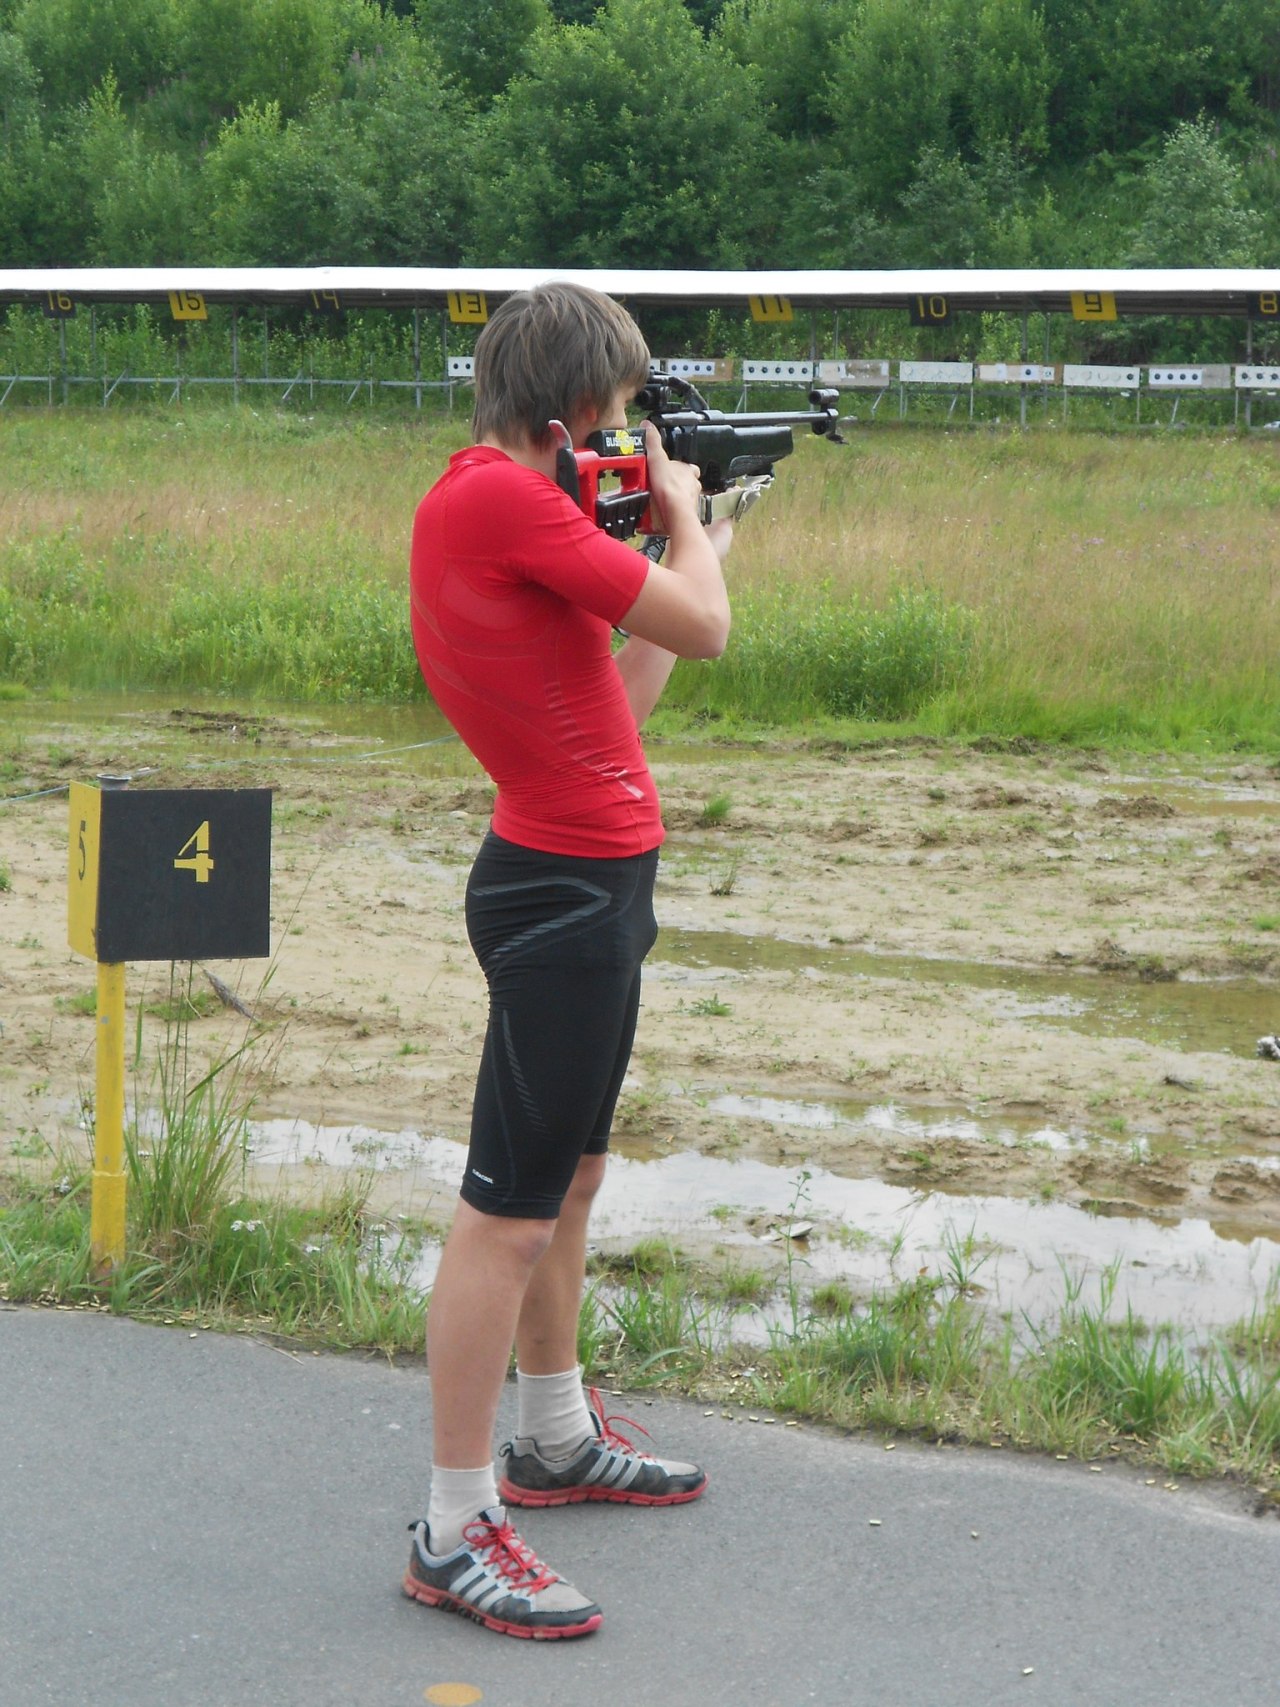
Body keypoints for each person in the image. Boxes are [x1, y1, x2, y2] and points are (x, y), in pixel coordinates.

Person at [401, 281, 732, 1640]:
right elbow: (704, 626)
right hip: (556, 895)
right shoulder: (499, 503)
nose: (628, 430)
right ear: (580, 407)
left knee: (571, 1179)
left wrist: (698, 543)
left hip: (586, 878)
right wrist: (686, 528)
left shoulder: (510, 510)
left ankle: (548, 1435)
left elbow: (630, 689)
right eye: (622, 407)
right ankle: (453, 1520)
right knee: (508, 1211)